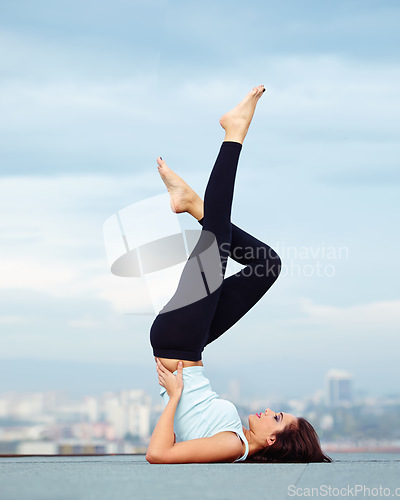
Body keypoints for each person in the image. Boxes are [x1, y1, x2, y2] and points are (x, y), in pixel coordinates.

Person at [146, 85, 331, 464]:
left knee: (217, 241)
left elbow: (159, 455)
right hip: (189, 344)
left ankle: (234, 133)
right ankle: (195, 205)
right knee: (267, 265)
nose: (269, 411)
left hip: (178, 343)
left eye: (276, 418)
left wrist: (176, 396)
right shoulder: (237, 438)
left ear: (275, 442)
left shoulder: (234, 446)